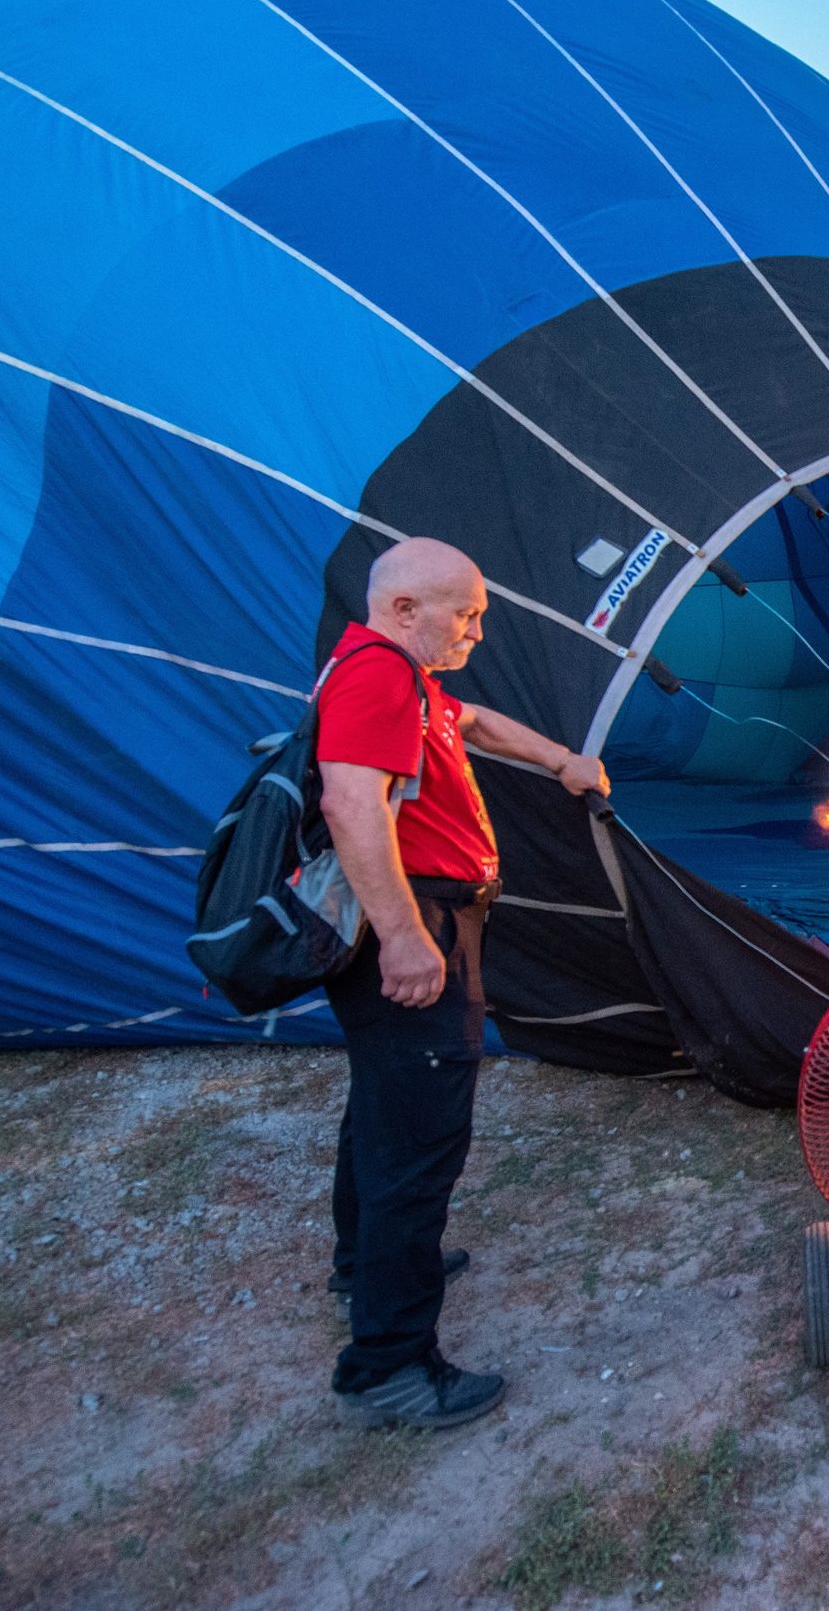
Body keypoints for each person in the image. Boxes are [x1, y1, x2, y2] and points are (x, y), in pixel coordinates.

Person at [317, 537, 609, 1428]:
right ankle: (390, 1367)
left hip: (426, 918)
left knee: (385, 1104)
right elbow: (350, 803)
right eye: (466, 614)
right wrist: (405, 937)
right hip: (417, 925)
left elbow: (471, 722)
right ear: (405, 609)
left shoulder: (402, 679)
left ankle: (362, 1264)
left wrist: (560, 759)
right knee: (420, 1138)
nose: (477, 632)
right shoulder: (376, 675)